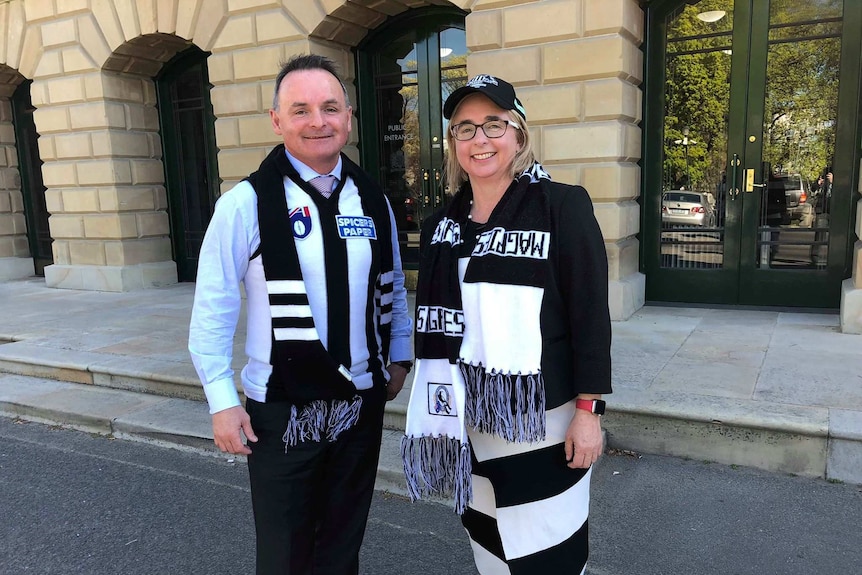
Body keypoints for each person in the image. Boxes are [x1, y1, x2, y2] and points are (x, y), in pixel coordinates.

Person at [188, 54, 413, 575]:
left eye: (330, 108)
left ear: (349, 117)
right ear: (277, 121)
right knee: (286, 553)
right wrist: (222, 401)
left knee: (342, 544)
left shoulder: (374, 199)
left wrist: (399, 357)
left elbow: (394, 285)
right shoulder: (244, 204)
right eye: (301, 110)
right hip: (282, 409)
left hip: (360, 402)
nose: (318, 121)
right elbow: (213, 308)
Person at [401, 75, 612, 573]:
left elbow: (590, 318)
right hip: (467, 417)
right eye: (465, 128)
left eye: (494, 124)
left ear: (518, 134)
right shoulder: (439, 226)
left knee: (549, 552)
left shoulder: (562, 206)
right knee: (489, 545)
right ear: (453, 144)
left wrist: (590, 411)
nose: (480, 139)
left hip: (542, 421)